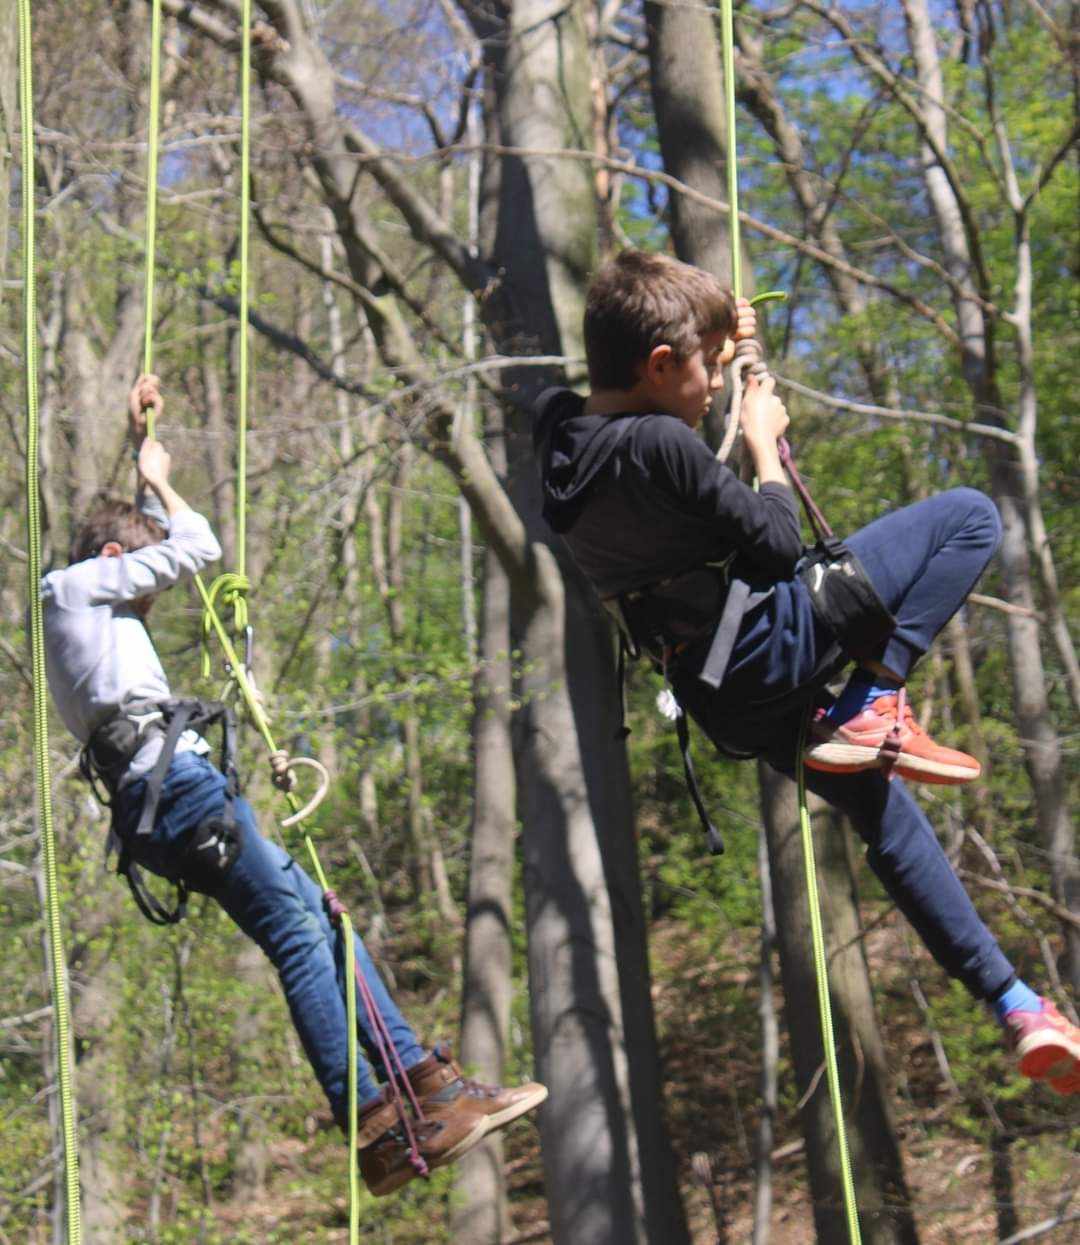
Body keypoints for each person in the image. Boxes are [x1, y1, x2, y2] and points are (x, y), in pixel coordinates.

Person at [533, 249, 1079, 1095]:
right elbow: (778, 540)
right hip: (769, 641)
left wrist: (718, 323)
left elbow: (626, 381)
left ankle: (1017, 1005)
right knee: (968, 519)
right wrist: (761, 444)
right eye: (705, 370)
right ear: (660, 366)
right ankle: (876, 697)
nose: (715, 385)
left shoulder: (560, 438)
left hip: (719, 695)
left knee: (884, 815)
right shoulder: (659, 446)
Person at [43, 375, 547, 1196]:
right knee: (297, 930)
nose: (154, 595)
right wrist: (165, 487)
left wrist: (142, 460)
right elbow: (197, 547)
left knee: (324, 919)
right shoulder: (70, 591)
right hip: (174, 792)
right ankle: (376, 1120)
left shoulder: (95, 618)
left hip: (170, 794)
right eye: (143, 579)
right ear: (110, 561)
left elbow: (163, 552)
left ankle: (421, 1082)